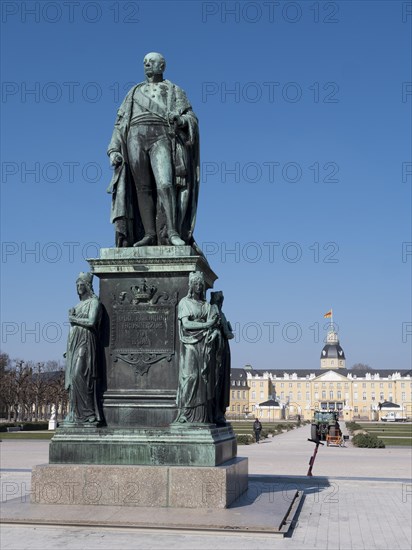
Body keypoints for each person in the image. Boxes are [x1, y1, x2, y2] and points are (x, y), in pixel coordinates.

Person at [107, 52, 200, 249]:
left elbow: (191, 117)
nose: (147, 64)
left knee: (165, 183)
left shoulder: (174, 90)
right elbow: (120, 123)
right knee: (142, 187)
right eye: (145, 62)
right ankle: (149, 234)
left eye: (152, 62)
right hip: (135, 136)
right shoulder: (133, 92)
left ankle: (172, 231)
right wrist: (114, 149)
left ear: (162, 66)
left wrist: (181, 120)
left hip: (162, 136)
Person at [175, 272, 220, 424]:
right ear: (191, 286)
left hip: (205, 345)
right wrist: (206, 325)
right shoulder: (184, 303)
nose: (199, 286)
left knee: (204, 379)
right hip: (190, 344)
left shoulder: (207, 306)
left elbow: (215, 325)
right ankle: (185, 412)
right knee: (190, 376)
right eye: (196, 284)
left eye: (201, 284)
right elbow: (186, 324)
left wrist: (214, 332)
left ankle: (202, 415)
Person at [64, 272, 102, 424]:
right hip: (74, 343)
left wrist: (74, 319)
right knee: (73, 379)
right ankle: (76, 414)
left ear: (88, 286)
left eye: (81, 285)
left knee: (80, 374)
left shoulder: (94, 302)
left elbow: (92, 321)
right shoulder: (78, 305)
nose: (79, 287)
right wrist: (68, 349)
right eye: (77, 285)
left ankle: (89, 413)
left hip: (86, 341)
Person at [210, 291, 234, 425]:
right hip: (219, 350)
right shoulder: (217, 312)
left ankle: (218, 412)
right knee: (218, 382)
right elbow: (229, 334)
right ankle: (217, 412)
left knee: (219, 382)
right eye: (221, 301)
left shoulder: (216, 311)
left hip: (221, 349)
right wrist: (228, 330)